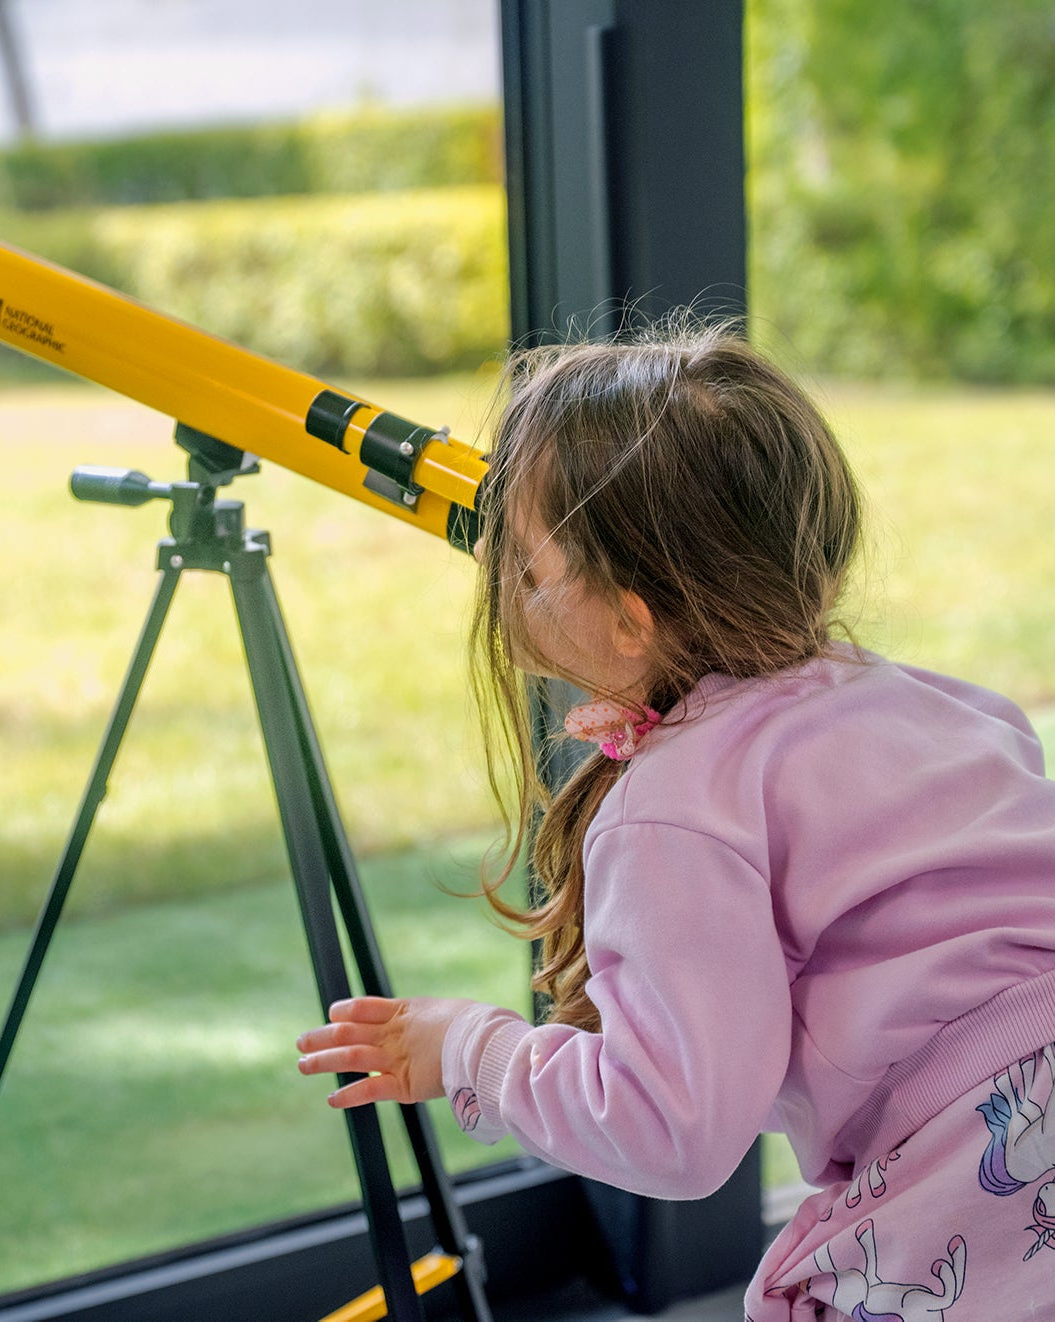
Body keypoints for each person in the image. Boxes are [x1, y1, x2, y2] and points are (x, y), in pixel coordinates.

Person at [295, 321, 1055, 1320]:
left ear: (627, 617)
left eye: (523, 562)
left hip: (992, 1145)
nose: (500, 581)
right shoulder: (934, 701)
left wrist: (470, 1051)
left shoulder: (677, 806)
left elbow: (672, 1126)